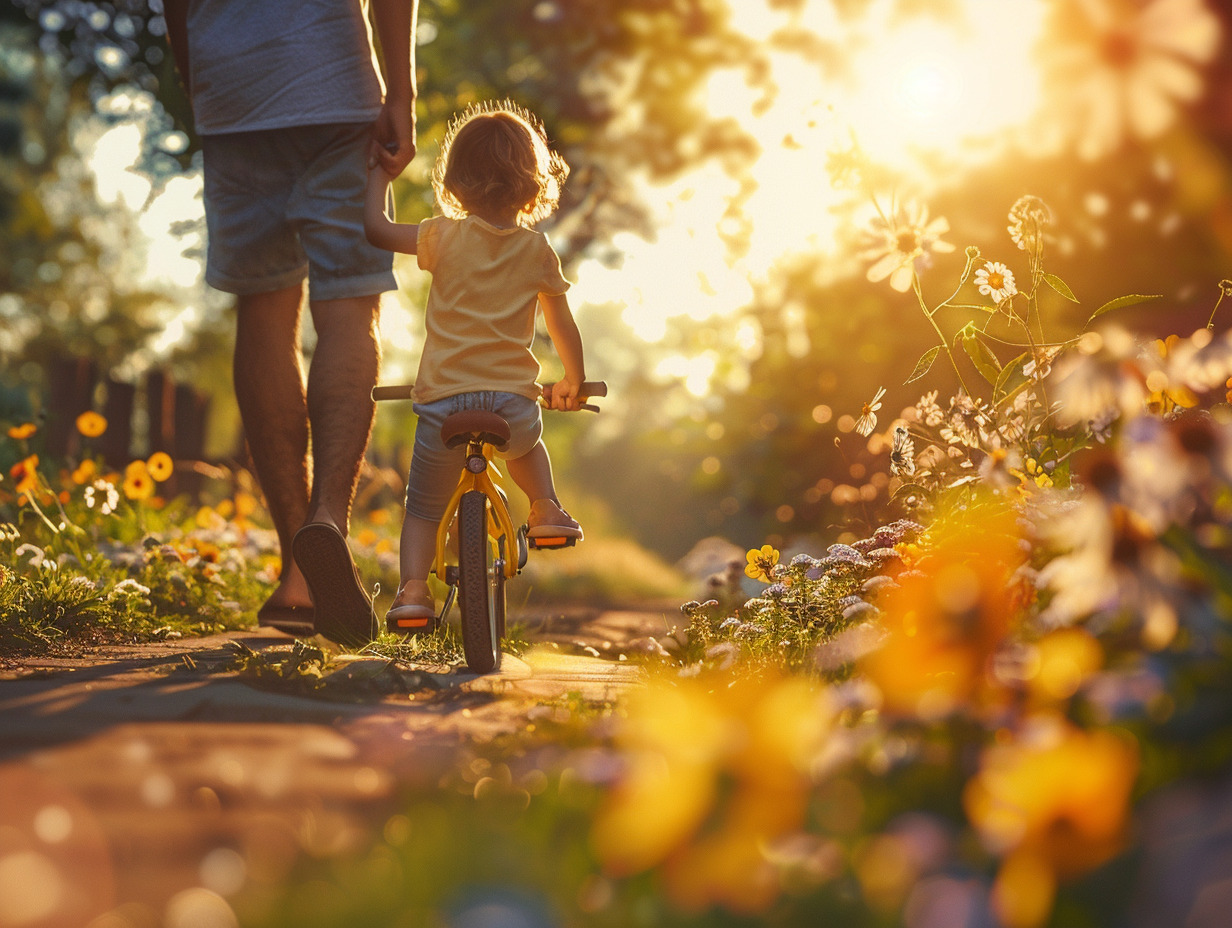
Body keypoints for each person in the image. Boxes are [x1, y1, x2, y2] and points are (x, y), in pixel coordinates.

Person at [162, 0, 418, 645]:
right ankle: (327, 517)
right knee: (349, 307)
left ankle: (295, 577)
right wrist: (401, 91)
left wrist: (202, 83)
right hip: (329, 81)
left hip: (232, 96)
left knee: (264, 312)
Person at [363, 100, 586, 628]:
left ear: (456, 183)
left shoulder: (441, 237)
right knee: (527, 446)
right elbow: (561, 325)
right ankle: (546, 508)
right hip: (512, 405)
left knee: (421, 508)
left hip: (442, 405)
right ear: (532, 182)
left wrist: (379, 174)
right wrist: (571, 381)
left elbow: (376, 229)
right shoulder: (538, 250)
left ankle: (413, 592)